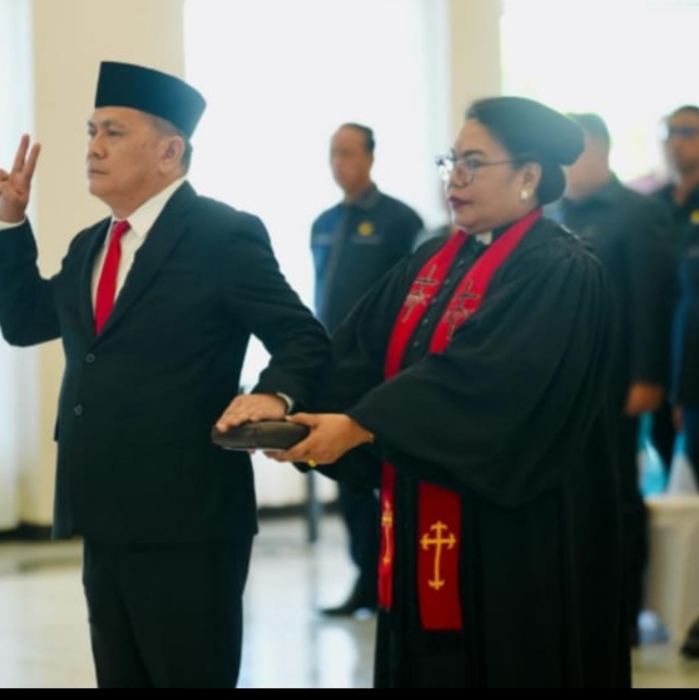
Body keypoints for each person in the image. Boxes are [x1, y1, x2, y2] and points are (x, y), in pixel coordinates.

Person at [270, 96, 631, 688]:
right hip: (418, 515)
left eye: (474, 163)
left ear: (528, 175)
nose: (454, 179)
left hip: (512, 539)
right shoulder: (432, 261)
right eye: (450, 161)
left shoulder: (560, 269)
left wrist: (362, 424)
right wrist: (286, 405)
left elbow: (484, 379)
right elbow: (354, 352)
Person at [0, 61, 331, 689]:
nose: (93, 147)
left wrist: (272, 392)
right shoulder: (92, 244)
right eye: (91, 131)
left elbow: (302, 336)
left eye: (114, 132)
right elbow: (22, 322)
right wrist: (11, 223)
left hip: (188, 517)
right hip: (103, 509)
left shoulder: (222, 236)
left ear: (169, 151)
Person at [547, 112, 677, 647]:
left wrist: (648, 375)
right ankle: (577, 607)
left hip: (618, 380)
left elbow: (653, 301)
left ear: (599, 150)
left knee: (617, 496)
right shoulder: (552, 214)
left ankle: (622, 612)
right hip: (562, 386)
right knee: (569, 499)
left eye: (571, 152)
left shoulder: (636, 213)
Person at [310, 122, 424, 616]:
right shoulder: (323, 222)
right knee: (350, 482)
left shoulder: (400, 220)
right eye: (333, 153)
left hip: (384, 370)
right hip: (338, 371)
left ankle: (401, 578)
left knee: (391, 479)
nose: (340, 163)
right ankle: (366, 577)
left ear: (371, 157)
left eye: (349, 153)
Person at [653, 105, 699, 659]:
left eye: (688, 133)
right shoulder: (656, 207)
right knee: (679, 497)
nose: (677, 143)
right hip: (664, 376)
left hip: (695, 380)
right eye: (670, 133)